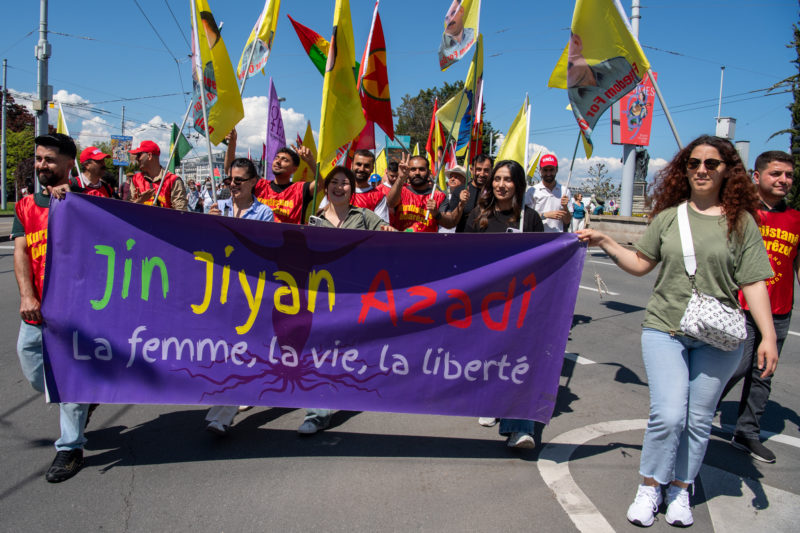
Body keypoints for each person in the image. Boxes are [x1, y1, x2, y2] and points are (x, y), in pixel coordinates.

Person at [577, 135, 777, 528]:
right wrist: (605, 241)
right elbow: (640, 264)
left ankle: (681, 489)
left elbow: (754, 282)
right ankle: (650, 486)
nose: (702, 170)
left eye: (712, 164)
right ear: (683, 170)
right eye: (694, 163)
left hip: (718, 336)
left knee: (698, 420)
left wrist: (768, 337)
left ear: (727, 171)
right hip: (665, 329)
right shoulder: (669, 217)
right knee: (669, 415)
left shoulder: (742, 223)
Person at [11, 133, 91, 483]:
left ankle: (70, 448)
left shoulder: (87, 201)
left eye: (49, 159)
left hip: (73, 310)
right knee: (33, 366)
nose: (41, 164)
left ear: (69, 163)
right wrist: (26, 296)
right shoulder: (26, 206)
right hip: (37, 310)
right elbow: (21, 251)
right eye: (39, 158)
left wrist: (74, 200)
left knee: (67, 376)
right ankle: (82, 399)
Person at [299, 167, 396, 434]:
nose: (338, 187)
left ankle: (364, 388)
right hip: (322, 298)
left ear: (352, 190)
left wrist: (388, 230)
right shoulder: (314, 220)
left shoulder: (364, 216)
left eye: (344, 183)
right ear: (326, 187)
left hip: (357, 298)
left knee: (354, 350)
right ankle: (317, 414)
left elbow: (391, 237)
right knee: (319, 352)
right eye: (334, 182)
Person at [719, 150, 799, 464]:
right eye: (775, 173)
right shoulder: (741, 214)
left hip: (779, 309)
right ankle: (696, 410)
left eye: (788, 175)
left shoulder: (796, 219)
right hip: (740, 306)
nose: (783, 180)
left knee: (763, 373)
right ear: (757, 176)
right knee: (735, 366)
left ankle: (746, 433)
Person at [464, 160, 544, 447]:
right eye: (497, 179)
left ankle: (519, 428)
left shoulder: (530, 219)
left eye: (508, 179)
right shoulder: (478, 216)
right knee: (490, 356)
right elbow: (464, 259)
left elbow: (544, 259)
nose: (501, 185)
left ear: (518, 185)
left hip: (520, 303)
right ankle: (491, 401)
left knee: (519, 361)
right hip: (487, 303)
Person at [203, 158, 275, 435]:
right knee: (221, 352)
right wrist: (208, 223)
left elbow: (263, 250)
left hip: (248, 293)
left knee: (241, 351)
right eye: (229, 180)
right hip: (216, 290)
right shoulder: (215, 207)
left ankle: (222, 415)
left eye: (239, 180)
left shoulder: (264, 213)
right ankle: (228, 400)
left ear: (253, 182)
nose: (232, 185)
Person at [223, 128, 316, 224]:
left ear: (295, 169)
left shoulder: (300, 189)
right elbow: (231, 172)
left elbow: (321, 184)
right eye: (276, 158)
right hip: (259, 233)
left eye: (285, 160)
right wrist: (232, 144)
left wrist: (311, 162)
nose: (278, 161)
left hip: (289, 234)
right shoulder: (259, 185)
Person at [386, 154, 461, 232]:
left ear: (428, 172)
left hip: (427, 240)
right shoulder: (400, 190)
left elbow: (450, 224)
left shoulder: (439, 196)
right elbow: (390, 203)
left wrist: (437, 214)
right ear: (408, 172)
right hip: (400, 239)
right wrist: (400, 178)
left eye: (421, 169)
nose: (417, 173)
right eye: (413, 169)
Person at [318, 150, 390, 222]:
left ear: (372, 168)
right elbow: (319, 218)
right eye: (358, 164)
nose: (361, 169)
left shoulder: (378, 197)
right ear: (352, 165)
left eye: (366, 166)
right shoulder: (336, 191)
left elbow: (380, 226)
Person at [129, 140, 188, 210]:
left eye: (139, 155)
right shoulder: (136, 179)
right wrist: (140, 201)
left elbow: (181, 212)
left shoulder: (173, 180)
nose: (136, 158)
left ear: (149, 156)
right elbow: (128, 210)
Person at [524, 154, 571, 232]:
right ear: (540, 170)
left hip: (557, 236)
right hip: (538, 235)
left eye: (551, 170)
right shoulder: (532, 191)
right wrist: (545, 215)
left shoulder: (565, 191)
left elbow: (567, 221)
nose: (548, 173)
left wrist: (565, 207)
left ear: (556, 170)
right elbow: (526, 218)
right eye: (545, 170)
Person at [440, 165, 469, 233]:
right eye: (451, 177)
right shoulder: (442, 196)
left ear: (464, 180)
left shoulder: (467, 197)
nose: (452, 179)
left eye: (456, 177)